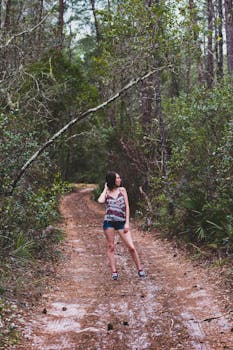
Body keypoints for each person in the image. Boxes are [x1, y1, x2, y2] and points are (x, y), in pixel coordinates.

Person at [98, 171, 146, 280]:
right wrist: (105, 188)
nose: (119, 179)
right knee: (111, 246)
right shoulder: (107, 192)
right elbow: (100, 200)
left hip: (121, 222)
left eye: (119, 177)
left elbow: (127, 207)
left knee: (131, 247)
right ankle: (114, 272)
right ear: (112, 180)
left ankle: (140, 269)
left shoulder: (122, 190)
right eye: (117, 178)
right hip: (109, 222)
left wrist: (127, 223)